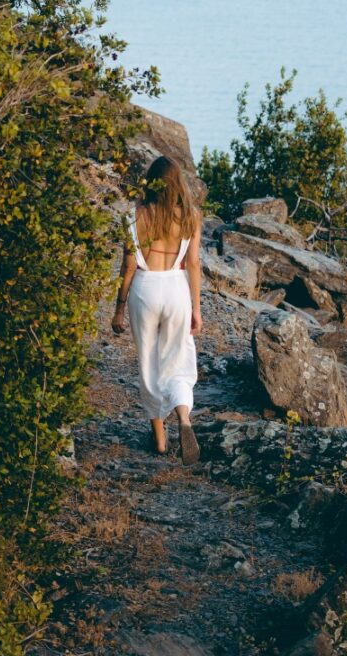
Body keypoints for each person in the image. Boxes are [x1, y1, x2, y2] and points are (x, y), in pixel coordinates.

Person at [112, 155, 203, 464]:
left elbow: (127, 267)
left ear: (151, 182)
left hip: (145, 288)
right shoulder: (191, 216)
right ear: (177, 183)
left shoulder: (135, 215)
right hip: (177, 289)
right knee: (177, 359)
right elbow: (193, 265)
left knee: (149, 363)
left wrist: (119, 310)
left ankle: (161, 440)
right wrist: (197, 309)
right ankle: (184, 418)